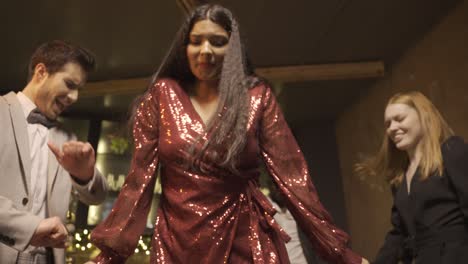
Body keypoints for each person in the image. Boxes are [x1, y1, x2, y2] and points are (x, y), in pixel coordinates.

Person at [90, 4, 365, 264]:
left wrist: (341, 256)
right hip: (176, 243)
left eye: (218, 42)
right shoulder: (162, 95)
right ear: (183, 47)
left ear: (232, 48)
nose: (205, 50)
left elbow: (294, 180)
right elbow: (139, 182)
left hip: (243, 238)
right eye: (196, 41)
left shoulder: (256, 97)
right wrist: (108, 257)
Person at [0, 40, 108, 264]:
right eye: (69, 84)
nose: (74, 97)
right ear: (41, 72)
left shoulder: (67, 139)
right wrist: (31, 227)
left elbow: (97, 197)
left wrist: (84, 175)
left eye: (78, 89)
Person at [355, 91, 468, 263]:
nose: (392, 128)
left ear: (424, 117)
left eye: (399, 119)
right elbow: (400, 232)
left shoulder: (451, 150)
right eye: (388, 124)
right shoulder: (400, 177)